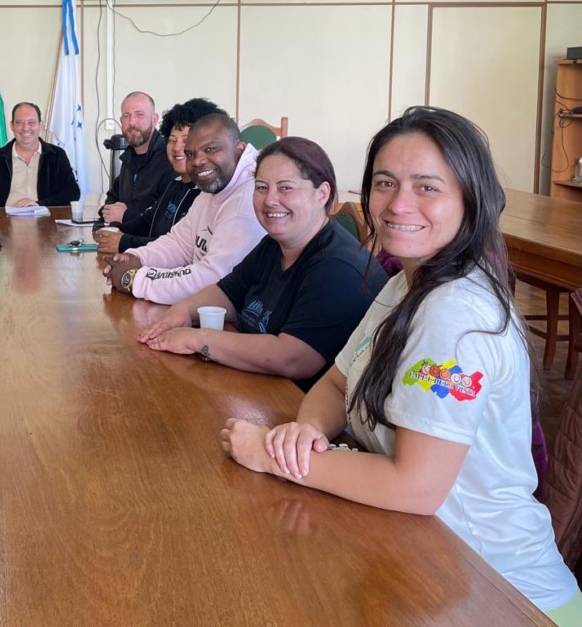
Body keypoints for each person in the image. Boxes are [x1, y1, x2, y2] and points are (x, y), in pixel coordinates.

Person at [222, 107, 582, 624]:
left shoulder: (454, 313)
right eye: (385, 182)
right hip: (423, 563)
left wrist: (270, 454)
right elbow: (334, 382)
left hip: (501, 593)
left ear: (470, 199)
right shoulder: (407, 281)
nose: (398, 204)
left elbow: (413, 485)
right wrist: (302, 434)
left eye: (427, 187)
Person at [138, 137, 388, 391]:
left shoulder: (339, 268)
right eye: (261, 187)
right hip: (257, 388)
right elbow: (226, 292)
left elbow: (294, 358)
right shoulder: (273, 244)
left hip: (301, 411)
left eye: (285, 188)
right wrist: (182, 311)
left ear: (321, 194)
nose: (270, 200)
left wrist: (197, 340)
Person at [103, 110, 267, 305]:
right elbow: (179, 244)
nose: (197, 161)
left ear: (239, 149)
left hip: (237, 324)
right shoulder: (214, 186)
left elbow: (214, 280)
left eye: (210, 149)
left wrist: (134, 280)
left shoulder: (248, 199)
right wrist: (135, 258)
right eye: (191, 153)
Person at [94, 98, 213, 254]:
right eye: (172, 140)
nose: (177, 147)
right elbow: (148, 220)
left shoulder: (204, 192)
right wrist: (110, 231)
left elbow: (180, 247)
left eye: (186, 140)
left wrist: (124, 242)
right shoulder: (176, 184)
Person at [0, 101, 80, 211]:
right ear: (12, 126)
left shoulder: (57, 155)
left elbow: (73, 192)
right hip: (4, 222)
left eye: (31, 122)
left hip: (45, 222)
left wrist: (40, 204)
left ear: (41, 125)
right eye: (19, 122)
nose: (25, 128)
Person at [99, 91, 177, 227]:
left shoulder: (170, 159)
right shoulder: (128, 157)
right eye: (126, 115)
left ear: (154, 119)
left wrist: (127, 215)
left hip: (152, 245)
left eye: (139, 114)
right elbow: (113, 196)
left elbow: (166, 218)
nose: (132, 122)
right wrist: (110, 211)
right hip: (122, 239)